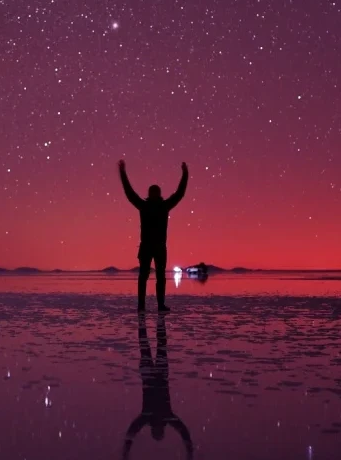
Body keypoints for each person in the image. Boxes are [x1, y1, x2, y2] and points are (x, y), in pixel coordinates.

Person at [118, 159, 188, 312]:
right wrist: (122, 173)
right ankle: (142, 305)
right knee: (144, 277)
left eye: (156, 192)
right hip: (147, 247)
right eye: (153, 192)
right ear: (151, 194)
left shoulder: (163, 206)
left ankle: (159, 305)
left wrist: (185, 173)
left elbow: (180, 193)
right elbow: (130, 193)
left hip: (159, 247)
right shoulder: (145, 206)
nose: (155, 194)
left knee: (160, 277)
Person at [122, 314, 193, 459]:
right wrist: (189, 450)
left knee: (154, 344)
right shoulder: (162, 416)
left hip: (153, 375)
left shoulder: (154, 416)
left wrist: (126, 452)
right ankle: (152, 320)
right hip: (156, 375)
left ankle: (152, 320)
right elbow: (183, 431)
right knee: (149, 344)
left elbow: (133, 430)